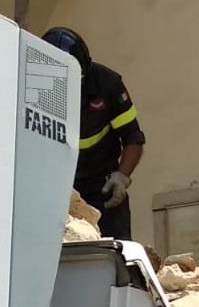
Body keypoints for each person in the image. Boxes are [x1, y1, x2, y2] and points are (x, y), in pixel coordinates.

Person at [42, 27, 144, 240]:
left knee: (117, 252)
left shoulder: (107, 84)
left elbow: (133, 138)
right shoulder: (35, 89)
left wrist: (122, 177)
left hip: (104, 187)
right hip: (58, 190)